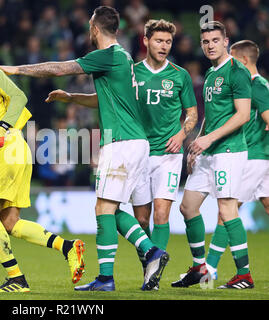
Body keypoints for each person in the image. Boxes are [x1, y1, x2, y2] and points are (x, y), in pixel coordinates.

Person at [0, 6, 169, 291]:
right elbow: (105, 99)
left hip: (121, 142)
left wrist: (15, 69)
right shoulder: (123, 58)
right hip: (136, 143)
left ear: (95, 28)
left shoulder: (106, 55)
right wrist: (71, 97)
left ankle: (119, 271)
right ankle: (147, 253)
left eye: (90, 27)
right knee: (109, 209)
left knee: (103, 208)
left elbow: (60, 68)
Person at [0, 35, 85, 293]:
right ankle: (68, 247)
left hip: (6, 146)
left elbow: (19, 96)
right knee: (9, 223)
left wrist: (0, 129)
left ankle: (16, 279)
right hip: (16, 148)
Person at [171, 21, 254, 289]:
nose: (210, 45)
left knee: (227, 209)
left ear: (226, 41)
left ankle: (244, 275)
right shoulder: (210, 74)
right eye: (205, 42)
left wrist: (209, 139)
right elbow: (211, 115)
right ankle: (199, 267)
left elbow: (242, 115)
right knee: (187, 207)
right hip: (208, 153)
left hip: (229, 152)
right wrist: (197, 142)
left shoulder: (237, 71)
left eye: (215, 40)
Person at [116, 20, 198, 277]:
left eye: (168, 42)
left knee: (162, 214)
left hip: (168, 155)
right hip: (138, 153)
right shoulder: (132, 73)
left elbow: (192, 114)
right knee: (142, 220)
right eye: (159, 41)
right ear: (146, 41)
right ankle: (150, 262)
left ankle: (155, 273)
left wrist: (182, 133)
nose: (164, 46)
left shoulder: (179, 75)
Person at [205, 40, 269, 283]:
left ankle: (209, 268)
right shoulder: (259, 84)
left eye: (231, 59)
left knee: (226, 211)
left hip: (253, 157)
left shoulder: (256, 85)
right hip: (262, 156)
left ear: (241, 61)